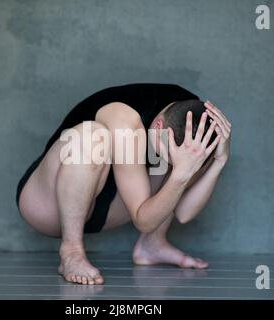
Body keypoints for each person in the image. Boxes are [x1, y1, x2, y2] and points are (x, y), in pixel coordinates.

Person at [16, 83, 231, 285]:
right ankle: (71, 251)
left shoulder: (194, 124)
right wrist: (181, 173)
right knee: (93, 136)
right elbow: (144, 220)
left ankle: (152, 244)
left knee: (182, 162)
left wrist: (218, 162)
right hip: (49, 205)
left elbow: (183, 212)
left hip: (105, 209)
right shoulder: (124, 122)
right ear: (158, 126)